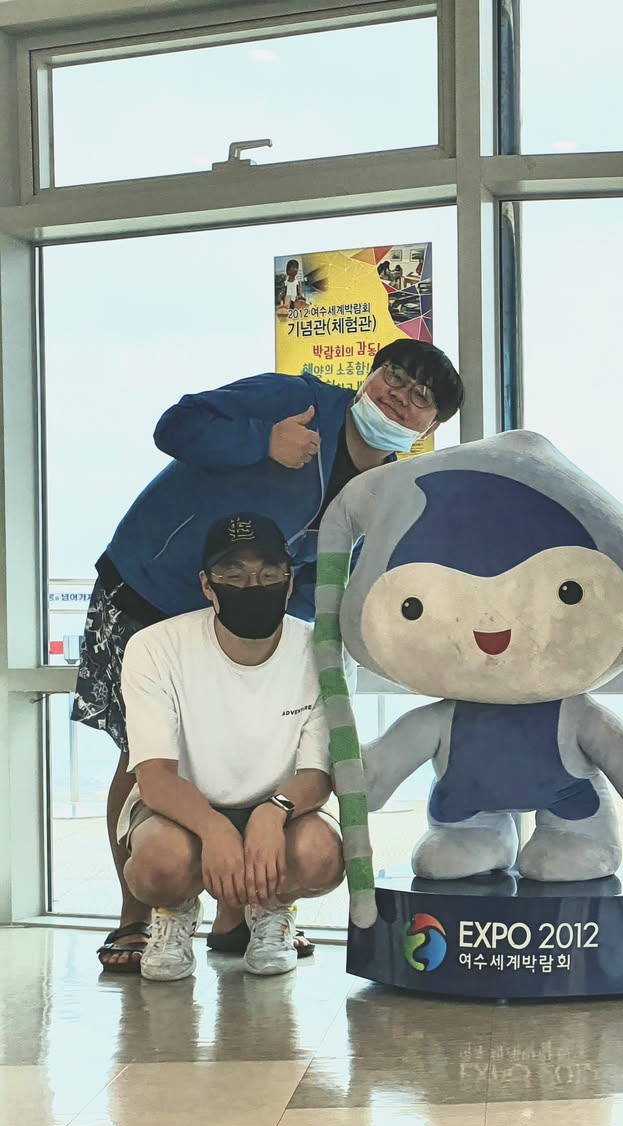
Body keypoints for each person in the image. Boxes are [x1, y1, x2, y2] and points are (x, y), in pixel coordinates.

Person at [74, 338, 463, 971]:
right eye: (396, 376)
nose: (401, 396)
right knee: (141, 753)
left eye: (422, 398)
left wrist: (285, 633)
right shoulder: (295, 400)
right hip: (151, 589)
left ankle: (244, 914)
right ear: (370, 374)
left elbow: (326, 572)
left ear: (428, 429)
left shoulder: (379, 491)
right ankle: (138, 918)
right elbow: (175, 426)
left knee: (251, 745)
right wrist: (261, 441)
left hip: (252, 614)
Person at [120, 513, 343, 981]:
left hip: (280, 808)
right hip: (181, 812)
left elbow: (317, 774)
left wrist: (272, 812)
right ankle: (174, 912)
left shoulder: (321, 653)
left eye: (268, 574)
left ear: (289, 581)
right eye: (233, 575)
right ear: (207, 584)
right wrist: (214, 828)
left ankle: (272, 910)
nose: (252, 585)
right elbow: (155, 778)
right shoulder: (155, 647)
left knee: (322, 856)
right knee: (159, 864)